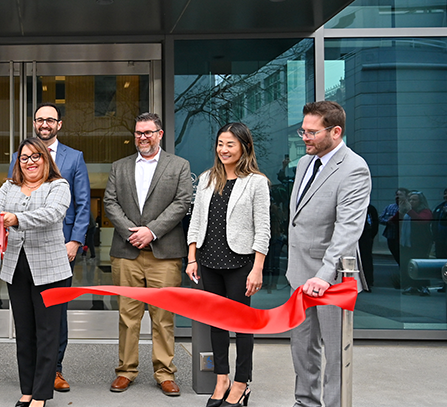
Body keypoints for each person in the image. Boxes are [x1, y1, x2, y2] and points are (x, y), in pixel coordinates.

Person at [286, 100, 371, 407]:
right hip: (299, 272)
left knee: (335, 350)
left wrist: (323, 276)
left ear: (336, 131)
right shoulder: (307, 163)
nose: (304, 137)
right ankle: (305, 401)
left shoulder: (354, 168)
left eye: (312, 132)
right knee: (302, 346)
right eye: (303, 130)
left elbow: (348, 229)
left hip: (331, 277)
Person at [103, 112, 192, 397]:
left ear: (160, 134)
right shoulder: (120, 166)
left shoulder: (178, 166)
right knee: (127, 316)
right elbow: (110, 201)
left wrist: (151, 231)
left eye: (148, 132)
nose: (143, 137)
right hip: (126, 252)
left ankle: (165, 373)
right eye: (139, 133)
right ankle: (125, 371)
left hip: (164, 253)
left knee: (163, 316)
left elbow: (182, 202)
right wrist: (133, 232)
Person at [185, 122, 270, 407]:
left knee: (242, 324)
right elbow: (196, 220)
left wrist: (258, 267)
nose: (223, 149)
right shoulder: (208, 178)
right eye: (220, 144)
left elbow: (263, 229)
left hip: (241, 262)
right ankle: (221, 378)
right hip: (209, 260)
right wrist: (192, 257)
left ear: (244, 146)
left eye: (230, 144)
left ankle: (241, 382)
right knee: (217, 323)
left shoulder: (257, 182)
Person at [7, 102, 91, 393]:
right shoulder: (20, 157)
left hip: (60, 248)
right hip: (22, 251)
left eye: (50, 120)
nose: (44, 124)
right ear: (34, 123)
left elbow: (82, 203)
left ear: (59, 124)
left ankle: (55, 368)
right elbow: (11, 196)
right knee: (32, 319)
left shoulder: (74, 158)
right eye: (40, 119)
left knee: (55, 316)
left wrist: (75, 241)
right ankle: (36, 378)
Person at [0, 137, 72, 407]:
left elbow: (52, 214)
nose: (30, 162)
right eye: (24, 158)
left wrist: (16, 219)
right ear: (18, 162)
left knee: (47, 332)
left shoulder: (58, 185)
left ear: (46, 159)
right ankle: (27, 389)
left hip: (51, 270)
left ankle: (42, 394)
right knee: (24, 332)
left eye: (36, 156)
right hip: (16, 268)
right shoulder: (8, 187)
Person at [395, 190, 433, 296]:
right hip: (407, 243)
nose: (412, 202)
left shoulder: (425, 211)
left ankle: (423, 286)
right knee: (407, 265)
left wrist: (410, 211)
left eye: (414, 200)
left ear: (420, 201)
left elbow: (422, 221)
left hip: (420, 243)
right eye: (410, 200)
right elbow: (394, 221)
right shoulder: (407, 211)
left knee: (421, 265)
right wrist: (401, 211)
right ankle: (411, 285)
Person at [379, 188, 409, 266]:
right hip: (391, 235)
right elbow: (380, 218)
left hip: (404, 236)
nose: (397, 197)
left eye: (400, 195)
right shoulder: (390, 207)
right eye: (397, 195)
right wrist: (387, 221)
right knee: (395, 254)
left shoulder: (408, 207)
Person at [358, 204, 379, 290]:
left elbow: (375, 222)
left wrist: (371, 236)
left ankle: (368, 280)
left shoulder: (370, 208)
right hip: (359, 235)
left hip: (366, 235)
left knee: (366, 258)